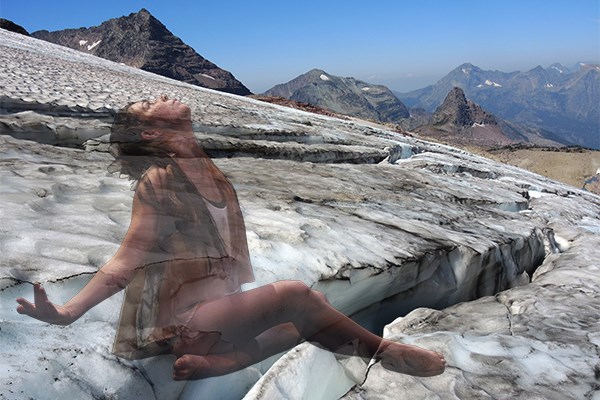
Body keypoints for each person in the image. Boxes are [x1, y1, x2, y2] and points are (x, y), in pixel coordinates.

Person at [16, 94, 446, 381]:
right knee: (297, 297)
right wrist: (69, 311)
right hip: (177, 320)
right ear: (149, 133)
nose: (161, 96)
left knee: (306, 321)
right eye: (150, 103)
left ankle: (221, 362)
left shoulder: (210, 173)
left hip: (213, 310)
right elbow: (128, 257)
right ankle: (384, 352)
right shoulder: (159, 179)